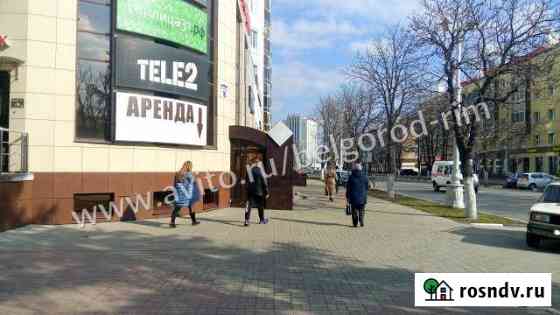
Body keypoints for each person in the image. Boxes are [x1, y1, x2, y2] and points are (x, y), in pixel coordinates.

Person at [170, 161, 201, 228]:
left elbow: (175, 184)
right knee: (191, 206)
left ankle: (172, 222)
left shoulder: (178, 173)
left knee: (178, 207)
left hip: (181, 192)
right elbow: (192, 182)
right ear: (189, 166)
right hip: (188, 192)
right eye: (191, 166)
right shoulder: (188, 173)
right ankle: (194, 221)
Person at [245, 156, 269, 226]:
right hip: (259, 191)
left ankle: (247, 220)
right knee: (260, 206)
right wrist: (266, 192)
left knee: (248, 206)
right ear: (257, 163)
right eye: (259, 163)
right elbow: (264, 182)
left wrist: (247, 190)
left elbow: (247, 182)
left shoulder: (249, 170)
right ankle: (262, 220)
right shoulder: (261, 171)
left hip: (250, 191)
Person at [346, 163, 369, 227]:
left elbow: (348, 188)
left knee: (354, 210)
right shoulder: (365, 176)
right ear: (361, 168)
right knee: (362, 209)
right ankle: (361, 220)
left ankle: (355, 223)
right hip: (362, 197)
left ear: (354, 169)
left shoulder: (351, 177)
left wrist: (347, 196)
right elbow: (367, 187)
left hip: (353, 197)